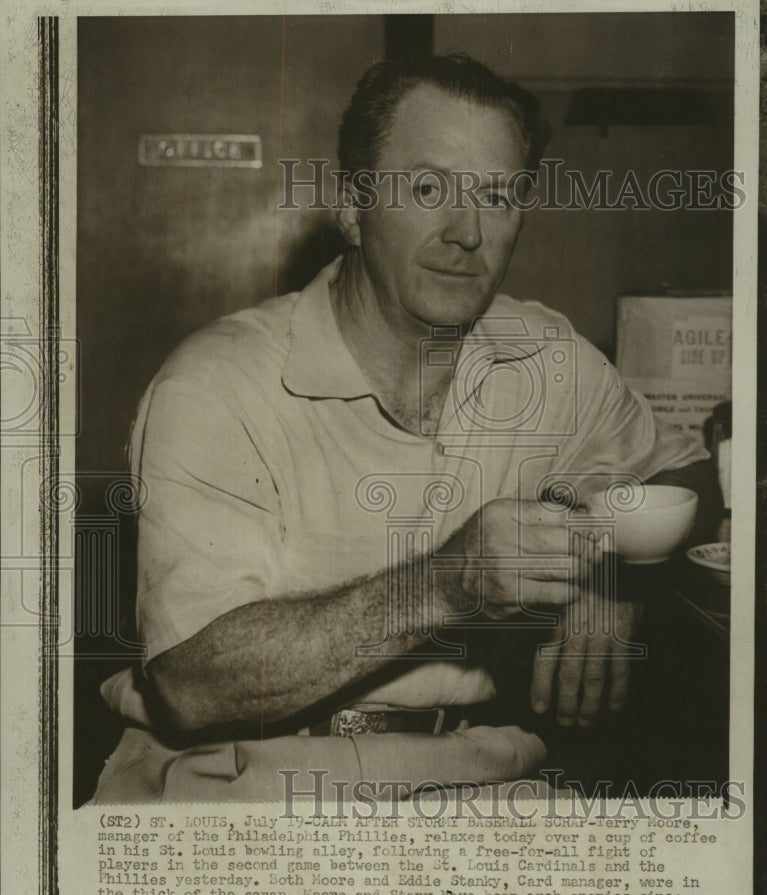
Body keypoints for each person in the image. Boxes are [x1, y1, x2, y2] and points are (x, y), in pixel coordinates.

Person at [91, 54, 719, 805]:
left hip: (478, 773)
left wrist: (613, 569)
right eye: (427, 189)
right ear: (353, 208)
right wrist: (447, 584)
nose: (466, 232)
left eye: (496, 195)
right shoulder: (215, 382)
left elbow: (693, 473)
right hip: (242, 783)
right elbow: (194, 686)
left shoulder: (547, 358)